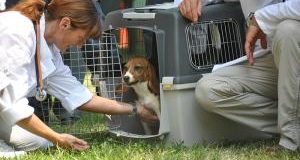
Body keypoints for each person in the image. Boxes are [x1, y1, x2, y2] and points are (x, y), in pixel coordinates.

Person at [0, 0, 158, 156]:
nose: (81, 45)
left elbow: (80, 96)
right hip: (5, 107)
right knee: (39, 143)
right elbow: (12, 103)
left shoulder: (51, 51)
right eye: (82, 38)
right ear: (65, 24)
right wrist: (56, 137)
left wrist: (136, 109)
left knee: (41, 143)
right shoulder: (18, 31)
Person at [179, 0, 300, 151]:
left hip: (295, 52)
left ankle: (290, 140)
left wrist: (262, 18)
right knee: (208, 90)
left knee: (288, 30)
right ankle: (292, 121)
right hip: (267, 59)